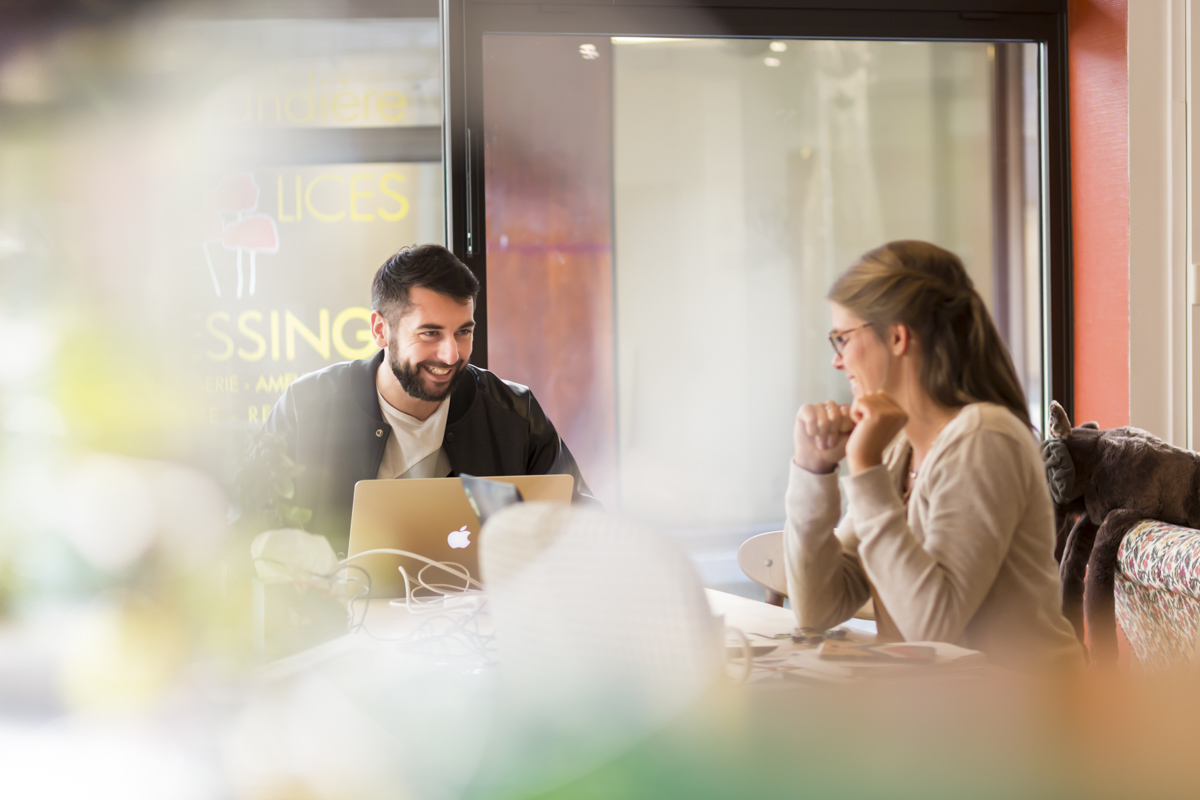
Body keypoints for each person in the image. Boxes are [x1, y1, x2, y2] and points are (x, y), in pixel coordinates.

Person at [786, 240, 1082, 670]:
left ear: (897, 336)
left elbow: (932, 628)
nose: (837, 361)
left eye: (842, 338)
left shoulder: (983, 439)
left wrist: (864, 468)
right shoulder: (899, 450)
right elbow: (818, 609)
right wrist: (815, 470)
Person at [261, 244, 595, 553]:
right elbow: (250, 525)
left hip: (483, 613)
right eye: (430, 333)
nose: (451, 354)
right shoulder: (305, 408)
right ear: (381, 330)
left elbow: (585, 523)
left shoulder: (515, 414)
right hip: (343, 614)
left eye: (463, 332)